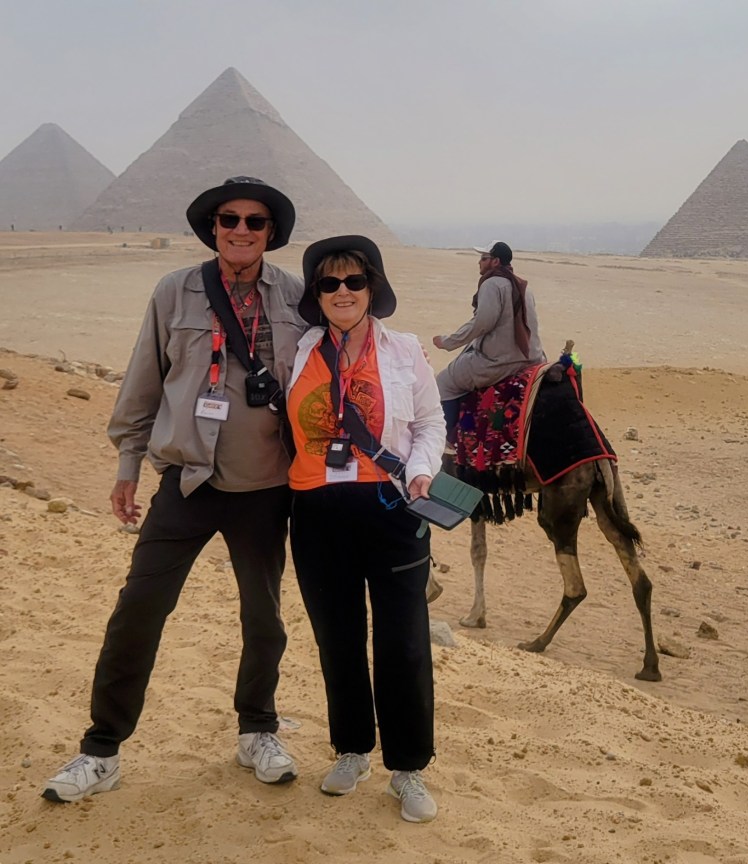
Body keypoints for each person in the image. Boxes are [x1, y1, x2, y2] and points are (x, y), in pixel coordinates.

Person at [42, 177, 306, 803]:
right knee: (139, 609)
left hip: (266, 484)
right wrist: (127, 464)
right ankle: (101, 749)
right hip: (187, 481)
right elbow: (143, 378)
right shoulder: (174, 291)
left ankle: (257, 731)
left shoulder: (297, 295)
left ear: (271, 232)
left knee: (263, 616)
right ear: (212, 226)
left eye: (255, 221)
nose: (240, 230)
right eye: (229, 219)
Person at [286, 235, 445, 823]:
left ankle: (408, 768)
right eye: (329, 283)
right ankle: (352, 749)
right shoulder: (300, 349)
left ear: (372, 287)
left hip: (391, 507)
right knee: (338, 636)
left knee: (403, 639)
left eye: (354, 280)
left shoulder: (404, 350)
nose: (343, 291)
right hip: (316, 508)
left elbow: (430, 422)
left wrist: (423, 471)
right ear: (317, 294)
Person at [432, 241, 545, 443]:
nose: (479, 262)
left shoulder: (492, 284)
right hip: (533, 359)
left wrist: (448, 342)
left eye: (484, 258)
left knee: (444, 383)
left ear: (495, 261)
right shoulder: (524, 286)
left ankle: (446, 443)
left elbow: (482, 323)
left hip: (499, 363)